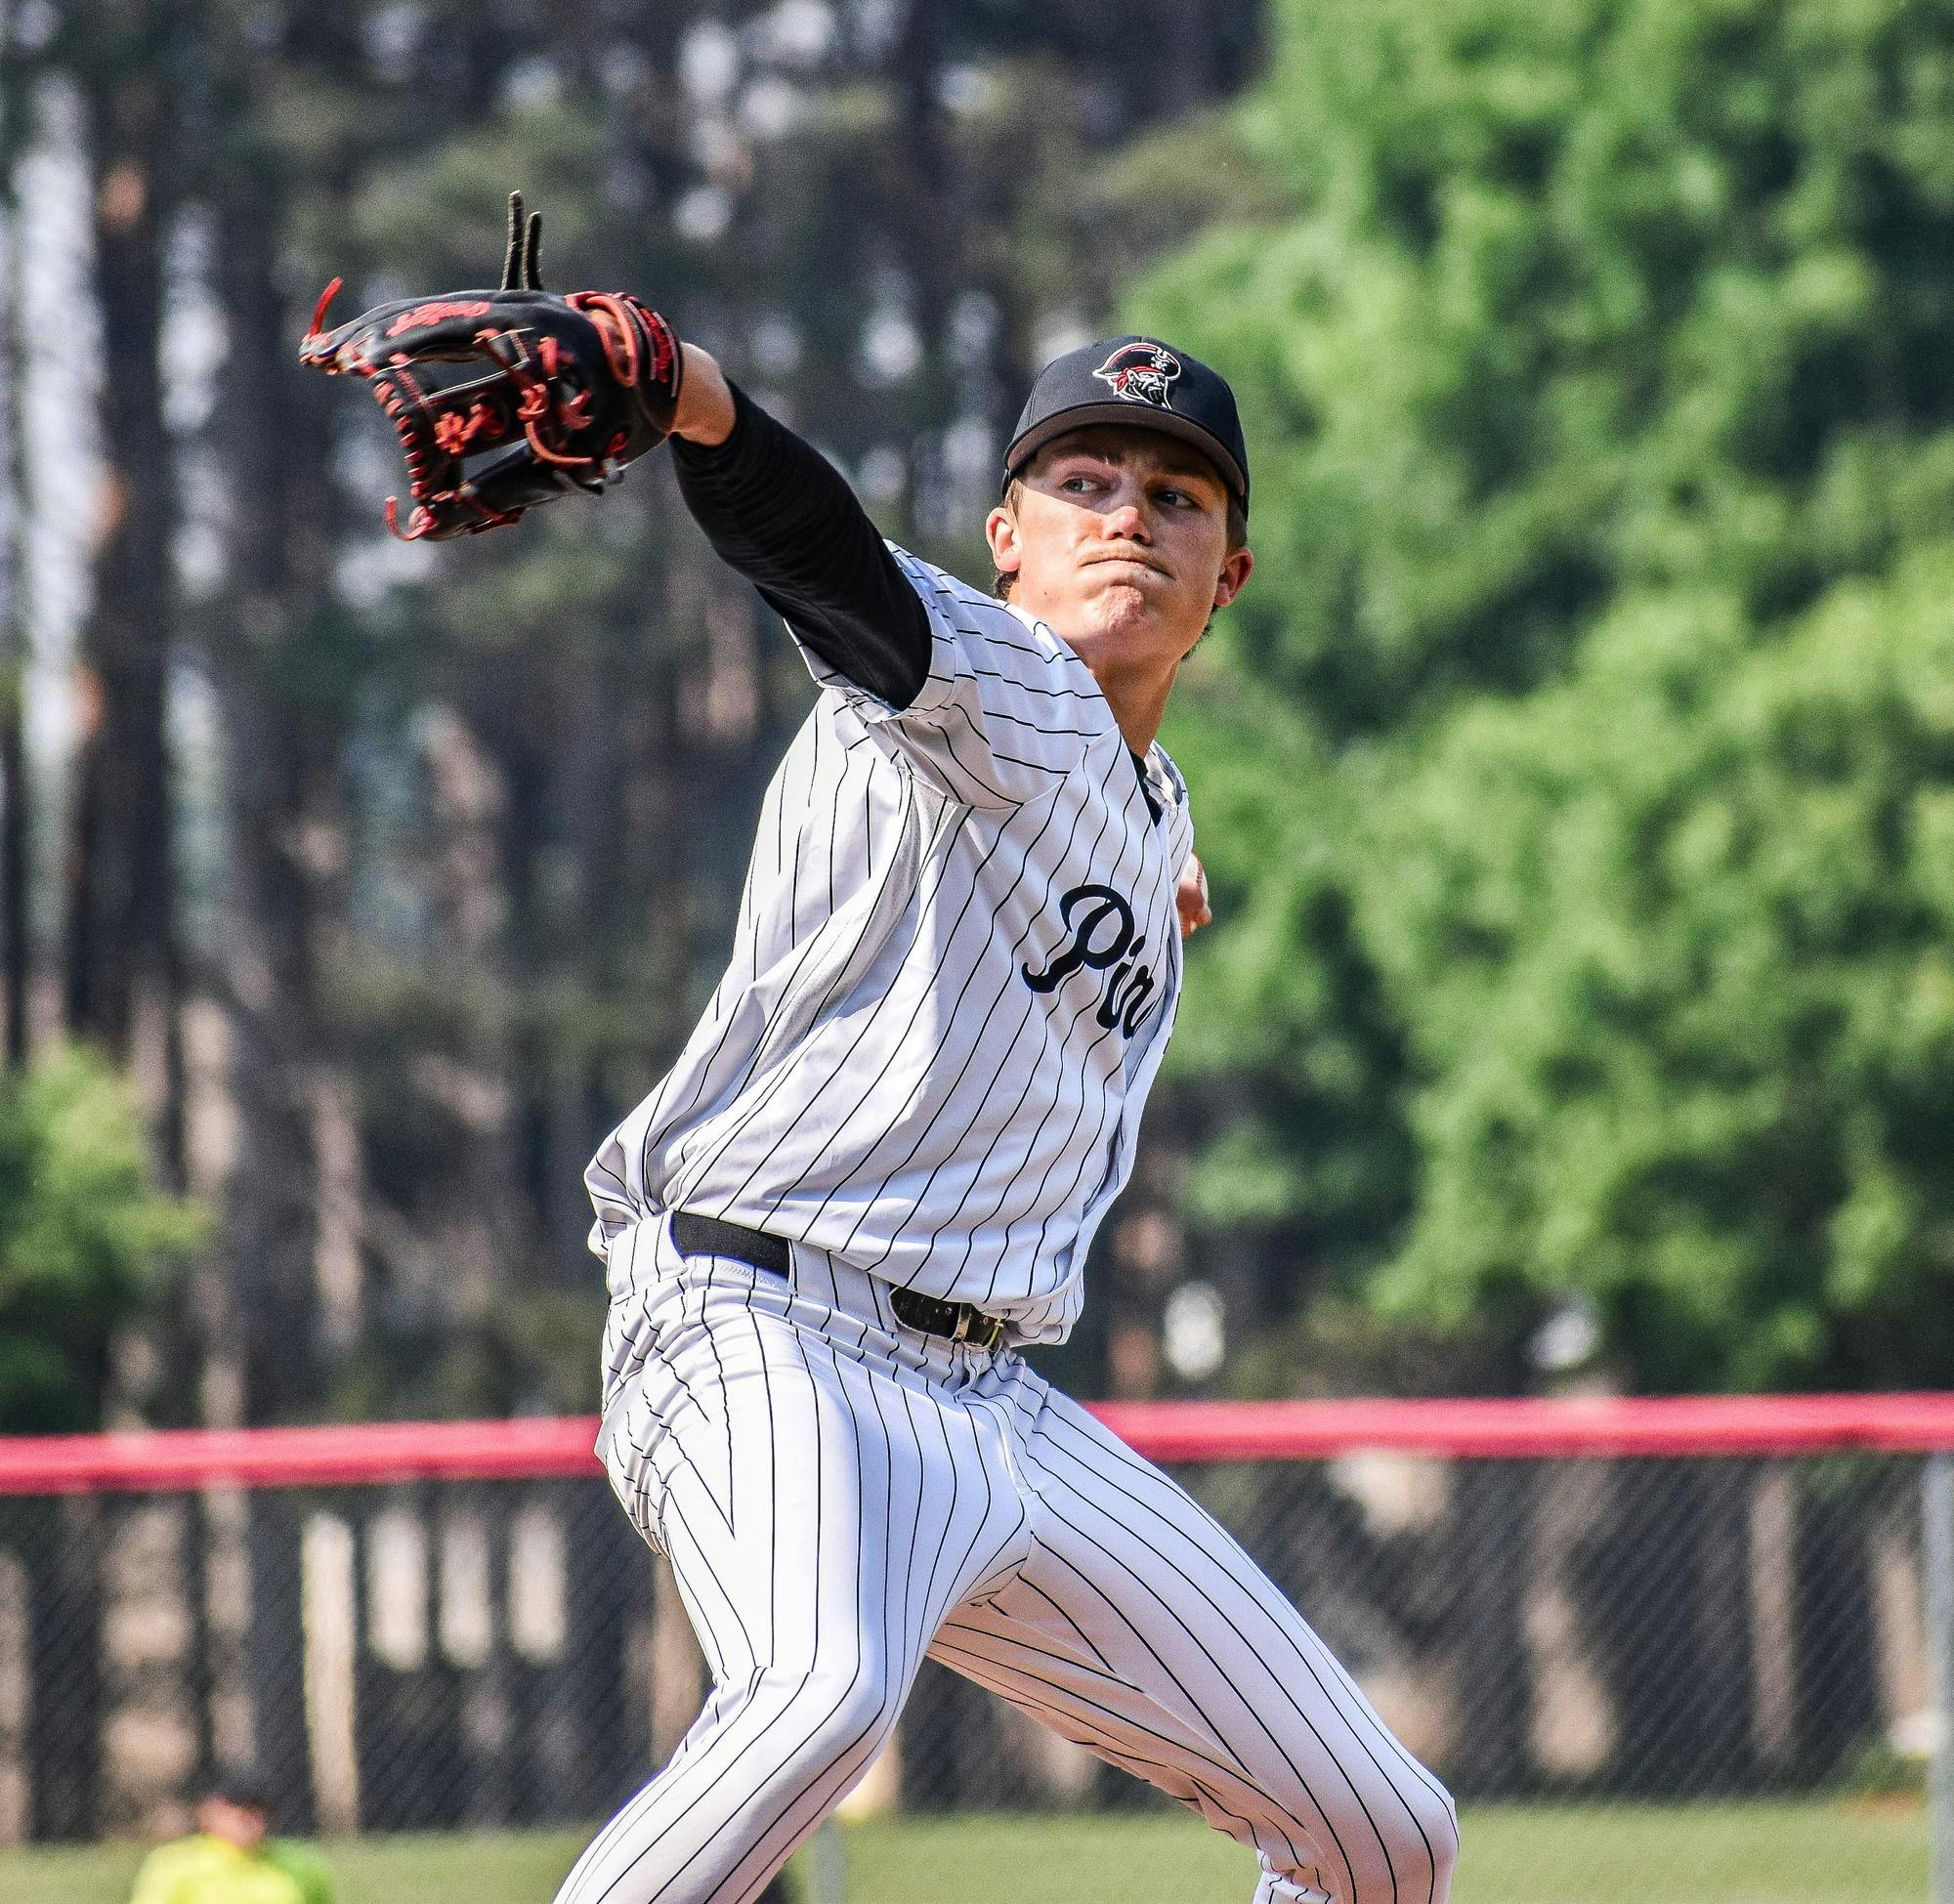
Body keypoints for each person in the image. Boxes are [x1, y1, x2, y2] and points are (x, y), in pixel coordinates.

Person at [555, 327, 1460, 1904]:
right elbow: (825, 560)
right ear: (1009, 539)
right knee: (817, 1698)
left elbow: (1116, 812)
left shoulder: (1152, 798)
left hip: (991, 1405)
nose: (1128, 515)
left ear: (1229, 573)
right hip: (759, 1324)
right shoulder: (985, 672)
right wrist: (695, 397)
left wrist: (1159, 853)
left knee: (1384, 1832)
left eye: (1178, 496)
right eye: (1085, 480)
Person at [127, 1764, 332, 1904]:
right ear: (207, 1810)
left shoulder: (302, 1867)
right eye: (239, 1807)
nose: (250, 1818)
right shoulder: (174, 1865)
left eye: (259, 1808)